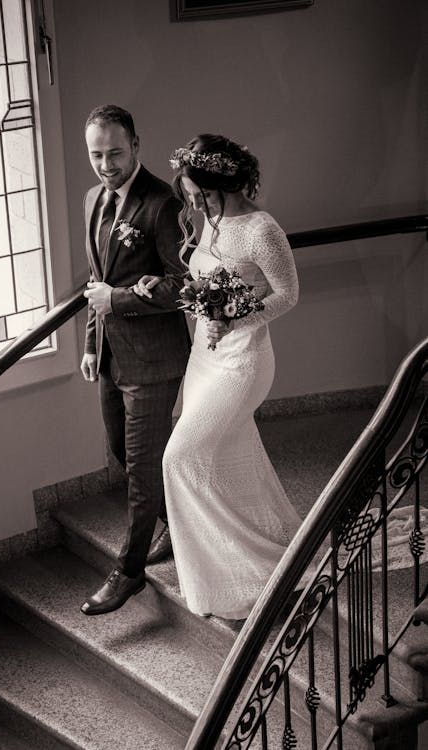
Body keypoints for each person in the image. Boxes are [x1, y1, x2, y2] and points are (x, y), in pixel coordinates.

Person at [134, 134, 303, 619]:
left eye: (200, 194)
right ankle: (234, 560)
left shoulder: (261, 230)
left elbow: (288, 294)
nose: (194, 203)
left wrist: (234, 319)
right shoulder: (210, 220)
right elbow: (207, 279)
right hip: (206, 360)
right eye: (189, 195)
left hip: (243, 362)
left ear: (223, 183)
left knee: (179, 459)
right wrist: (168, 288)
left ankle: (249, 566)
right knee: (228, 456)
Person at [79, 105, 190, 616]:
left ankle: (129, 572)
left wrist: (119, 301)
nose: (105, 163)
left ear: (137, 146)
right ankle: (176, 525)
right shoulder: (91, 200)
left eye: (115, 152)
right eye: (97, 153)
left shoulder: (161, 204)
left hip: (153, 362)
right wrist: (88, 343)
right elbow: (95, 282)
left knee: (143, 472)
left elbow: (183, 285)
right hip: (109, 358)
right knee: (125, 455)